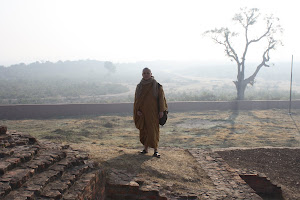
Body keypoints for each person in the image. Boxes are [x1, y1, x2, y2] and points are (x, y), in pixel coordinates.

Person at [133, 67, 168, 158]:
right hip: (143, 113)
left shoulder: (157, 85)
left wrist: (161, 111)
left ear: (151, 74)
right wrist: (138, 110)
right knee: (144, 130)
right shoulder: (139, 86)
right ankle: (145, 149)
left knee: (153, 131)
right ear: (142, 74)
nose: (146, 74)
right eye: (144, 73)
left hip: (153, 113)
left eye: (148, 73)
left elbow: (161, 99)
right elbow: (137, 100)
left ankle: (156, 150)